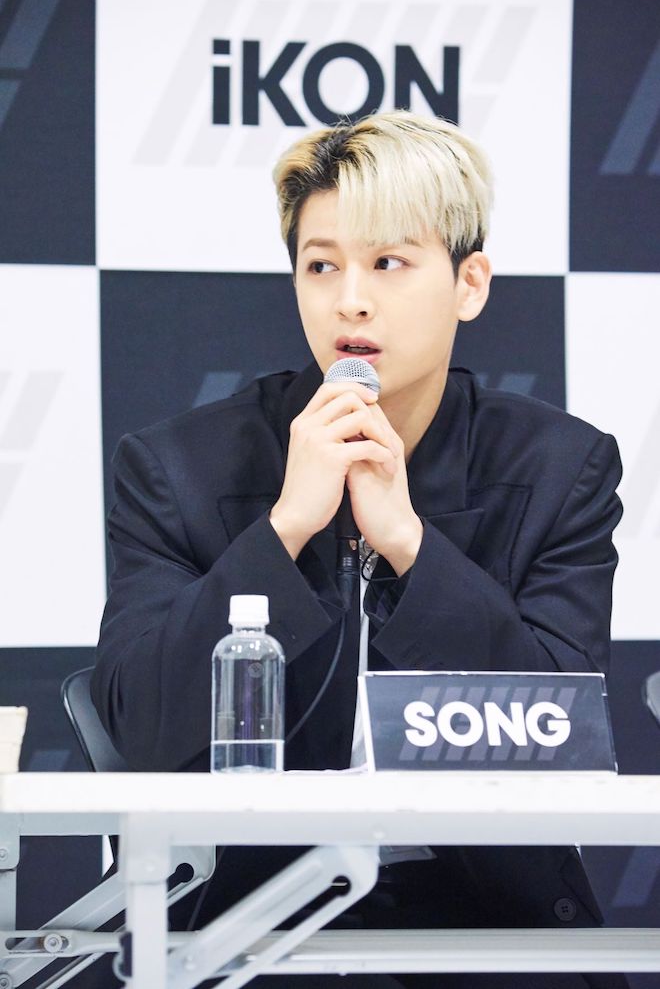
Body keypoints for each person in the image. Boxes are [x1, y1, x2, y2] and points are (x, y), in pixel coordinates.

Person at [92, 111, 626, 988]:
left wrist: (411, 546)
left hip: (486, 920)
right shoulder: (178, 467)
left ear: (469, 283)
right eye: (321, 265)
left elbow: (560, 737)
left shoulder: (560, 468)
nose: (350, 300)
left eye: (389, 263)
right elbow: (136, 730)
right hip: (247, 928)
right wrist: (285, 529)